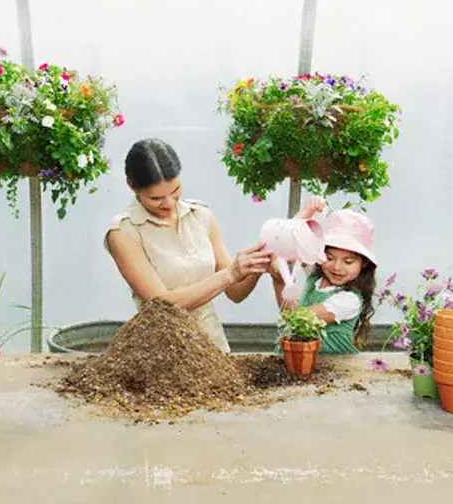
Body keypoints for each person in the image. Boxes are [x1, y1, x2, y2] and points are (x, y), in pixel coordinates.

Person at [104, 138, 271, 352]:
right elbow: (163, 305)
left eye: (175, 191)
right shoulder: (124, 232)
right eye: (156, 198)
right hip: (161, 354)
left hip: (213, 349)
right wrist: (229, 274)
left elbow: (235, 293)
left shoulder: (201, 216)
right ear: (131, 186)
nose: (169, 204)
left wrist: (257, 265)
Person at [270, 196, 377, 354]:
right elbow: (286, 240)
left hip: (334, 367)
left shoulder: (349, 300)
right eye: (329, 258)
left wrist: (279, 281)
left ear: (364, 264)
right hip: (300, 359)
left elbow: (296, 318)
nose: (337, 267)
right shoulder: (316, 275)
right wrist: (307, 212)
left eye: (348, 261)